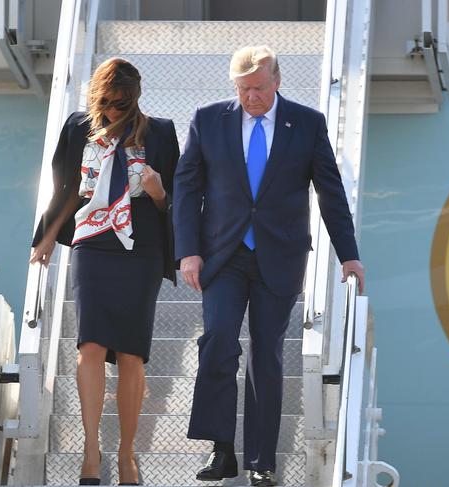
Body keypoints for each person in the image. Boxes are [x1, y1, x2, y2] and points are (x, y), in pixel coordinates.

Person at [172, 46, 365, 487]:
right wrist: (188, 250)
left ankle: (262, 460)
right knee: (219, 339)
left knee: (266, 353)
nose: (252, 97)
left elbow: (330, 193)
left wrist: (348, 253)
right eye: (243, 89)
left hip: (280, 256)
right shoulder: (208, 119)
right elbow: (186, 189)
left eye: (259, 88)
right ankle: (222, 451)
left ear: (277, 80)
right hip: (223, 254)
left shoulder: (307, 123)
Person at [31, 58, 179, 486]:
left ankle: (128, 454)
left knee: (132, 353)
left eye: (124, 103)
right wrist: (46, 238)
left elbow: (177, 204)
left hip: (141, 249)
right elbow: (64, 186)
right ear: (97, 96)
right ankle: (91, 449)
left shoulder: (161, 132)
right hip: (93, 244)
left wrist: (157, 192)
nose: (115, 111)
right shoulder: (80, 127)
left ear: (136, 98)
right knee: (91, 346)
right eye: (109, 102)